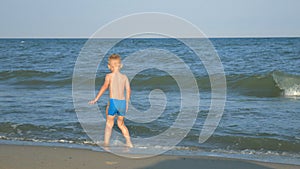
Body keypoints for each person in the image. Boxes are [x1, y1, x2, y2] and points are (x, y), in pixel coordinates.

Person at [88, 54, 133, 148]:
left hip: (113, 102)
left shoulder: (109, 76)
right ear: (120, 65)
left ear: (109, 66)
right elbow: (128, 90)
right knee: (121, 124)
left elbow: (104, 87)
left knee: (109, 124)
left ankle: (106, 144)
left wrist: (96, 98)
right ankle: (129, 142)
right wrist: (127, 103)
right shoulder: (125, 77)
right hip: (122, 103)